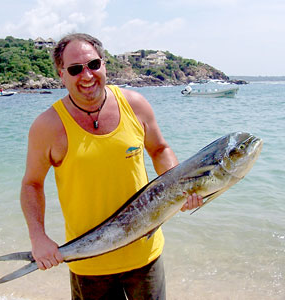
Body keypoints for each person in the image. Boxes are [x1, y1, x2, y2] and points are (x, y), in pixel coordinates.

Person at [20, 33, 203, 300]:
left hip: (145, 255)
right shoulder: (47, 126)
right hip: (89, 263)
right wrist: (38, 237)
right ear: (61, 75)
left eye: (93, 65)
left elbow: (160, 149)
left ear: (104, 64)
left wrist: (182, 187)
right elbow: (31, 184)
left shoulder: (135, 104)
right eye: (75, 69)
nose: (87, 75)